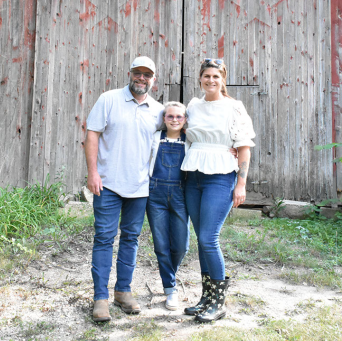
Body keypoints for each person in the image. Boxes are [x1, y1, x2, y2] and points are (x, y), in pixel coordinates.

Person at [84, 56, 164, 322]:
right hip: (107, 184)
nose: (142, 78)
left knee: (131, 239)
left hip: (140, 187)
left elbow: (179, 133)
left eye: (147, 75)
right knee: (104, 238)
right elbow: (92, 134)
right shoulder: (109, 99)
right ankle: (100, 298)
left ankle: (123, 291)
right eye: (137, 73)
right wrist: (93, 173)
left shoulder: (158, 110)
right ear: (129, 73)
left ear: (154, 79)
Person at [181, 58, 255, 323]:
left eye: (216, 76)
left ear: (223, 79)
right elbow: (182, 131)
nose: (211, 80)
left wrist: (241, 184)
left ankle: (219, 303)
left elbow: (244, 146)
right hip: (193, 177)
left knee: (209, 239)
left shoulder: (234, 107)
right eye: (206, 76)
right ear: (199, 78)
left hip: (221, 178)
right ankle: (206, 298)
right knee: (201, 238)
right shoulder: (193, 105)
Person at [146, 101, 189, 311]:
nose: (174, 120)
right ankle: (170, 288)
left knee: (181, 246)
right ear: (164, 119)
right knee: (161, 244)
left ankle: (168, 275)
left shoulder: (190, 141)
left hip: (181, 194)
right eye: (170, 116)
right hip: (155, 194)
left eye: (179, 117)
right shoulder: (155, 137)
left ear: (185, 120)